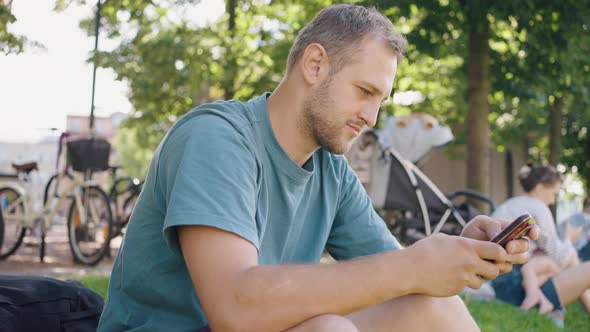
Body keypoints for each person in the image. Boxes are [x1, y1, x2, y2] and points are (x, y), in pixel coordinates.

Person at [97, 5, 535, 332]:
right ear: (314, 64)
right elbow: (234, 307)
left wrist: (455, 253)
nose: (372, 117)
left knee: (433, 308)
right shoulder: (216, 138)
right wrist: (413, 267)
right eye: (364, 91)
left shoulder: (332, 171)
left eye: (380, 100)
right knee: (328, 330)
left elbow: (399, 280)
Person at [489, 165, 590, 325]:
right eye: (553, 194)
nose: (553, 200)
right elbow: (557, 254)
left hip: (496, 280)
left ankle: (550, 304)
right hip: (513, 286)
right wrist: (569, 239)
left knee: (548, 262)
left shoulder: (510, 203)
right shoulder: (538, 207)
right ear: (539, 188)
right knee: (575, 261)